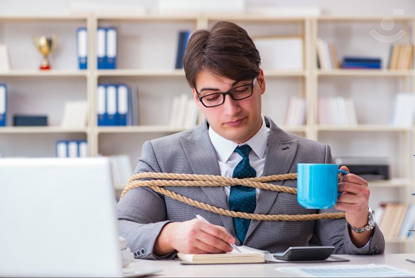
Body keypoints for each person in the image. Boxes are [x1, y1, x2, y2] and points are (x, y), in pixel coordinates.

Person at [117, 21, 384, 259]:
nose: (231, 109)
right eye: (212, 97)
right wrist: (169, 236)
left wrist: (359, 219)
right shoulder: (162, 156)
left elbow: (345, 247)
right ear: (197, 99)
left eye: (241, 90)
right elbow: (119, 229)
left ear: (261, 82)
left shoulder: (313, 156)